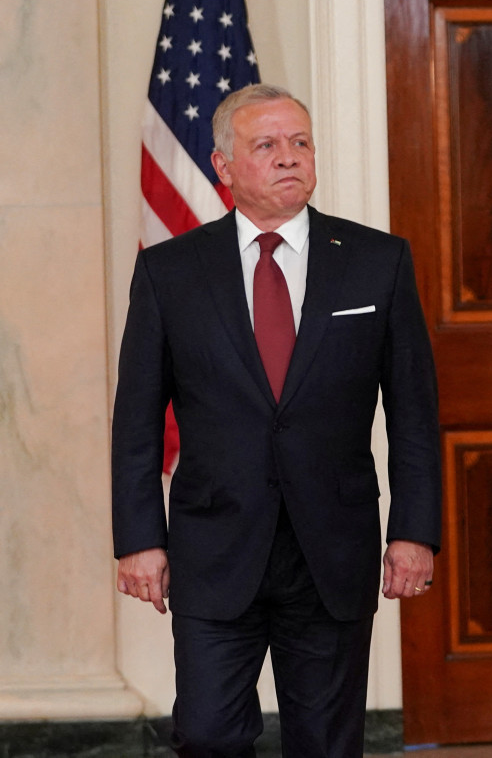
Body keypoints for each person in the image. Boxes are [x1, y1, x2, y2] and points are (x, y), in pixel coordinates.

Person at [112, 83, 441, 757]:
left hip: (333, 547)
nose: (289, 157)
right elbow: (137, 419)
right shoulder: (170, 271)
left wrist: (415, 530)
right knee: (207, 733)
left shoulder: (379, 262)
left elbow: (413, 412)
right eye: (267, 145)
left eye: (300, 143)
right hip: (214, 546)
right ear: (224, 166)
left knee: (326, 741)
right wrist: (139, 537)